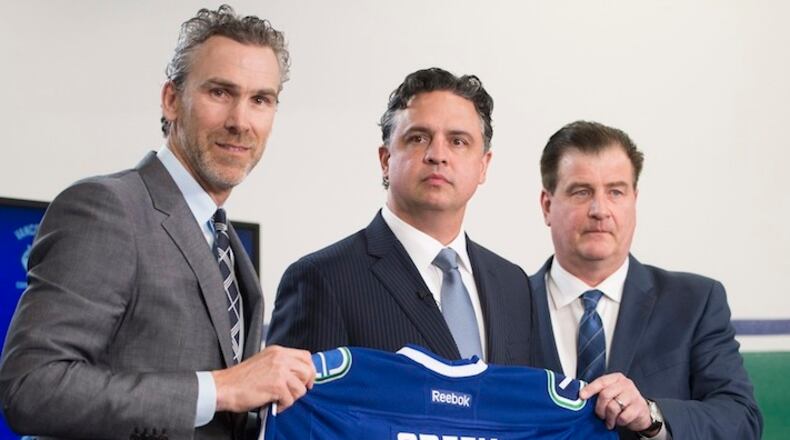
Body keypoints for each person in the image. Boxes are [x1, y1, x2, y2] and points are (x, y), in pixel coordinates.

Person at [0, 5, 314, 440]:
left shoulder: (225, 241)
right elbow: (32, 387)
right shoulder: (106, 209)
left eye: (260, 100)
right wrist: (220, 388)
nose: (240, 121)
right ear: (171, 99)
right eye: (220, 92)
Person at [267, 68, 532, 365]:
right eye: (418, 138)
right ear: (385, 159)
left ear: (484, 166)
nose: (437, 155)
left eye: (458, 141)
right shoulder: (321, 280)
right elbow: (302, 409)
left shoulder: (514, 285)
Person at [529, 120, 762, 439]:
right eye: (582, 192)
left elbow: (741, 420)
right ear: (547, 205)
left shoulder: (696, 302)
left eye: (615, 191)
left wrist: (653, 416)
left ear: (633, 201)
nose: (600, 210)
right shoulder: (502, 303)